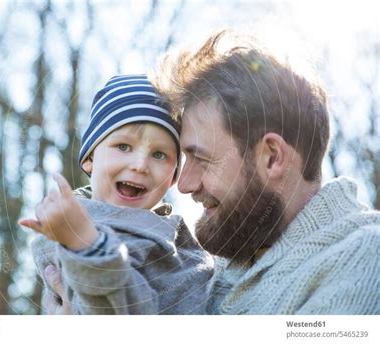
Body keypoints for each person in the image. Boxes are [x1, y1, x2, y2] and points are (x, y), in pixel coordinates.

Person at [43, 29, 380, 314]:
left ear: (273, 157)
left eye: (201, 158)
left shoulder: (362, 260)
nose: (184, 184)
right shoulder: (213, 273)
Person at [19, 74, 214, 315]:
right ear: (90, 157)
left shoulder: (179, 238)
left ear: (173, 176)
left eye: (159, 154)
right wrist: (87, 245)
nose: (140, 165)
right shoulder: (73, 233)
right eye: (123, 147)